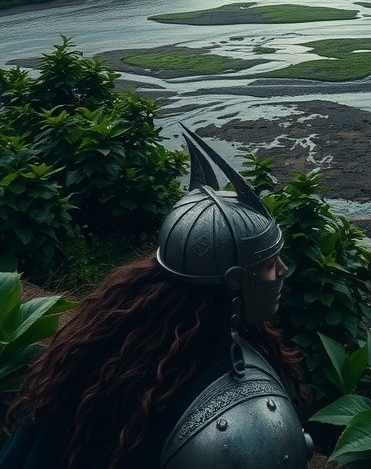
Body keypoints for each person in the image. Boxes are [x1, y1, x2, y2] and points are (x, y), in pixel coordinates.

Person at [1, 130, 313, 469]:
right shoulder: (242, 413)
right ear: (234, 281)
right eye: (268, 264)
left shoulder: (115, 341)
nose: (283, 270)